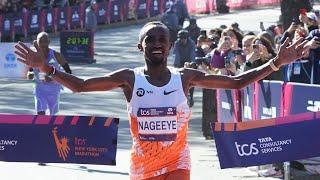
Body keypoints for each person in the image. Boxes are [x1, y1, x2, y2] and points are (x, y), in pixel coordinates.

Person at [15, 21, 307, 180]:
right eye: (150, 39)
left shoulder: (185, 77)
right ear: (140, 45)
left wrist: (275, 64)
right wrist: (46, 68)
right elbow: (80, 86)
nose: (156, 44)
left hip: (177, 163)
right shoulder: (129, 78)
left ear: (169, 46)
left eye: (161, 40)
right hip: (142, 168)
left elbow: (236, 82)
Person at [27, 32, 72, 116]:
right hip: (39, 88)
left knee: (53, 114)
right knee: (40, 111)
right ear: (37, 42)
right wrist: (30, 74)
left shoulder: (56, 55)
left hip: (54, 89)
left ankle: (51, 128)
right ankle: (41, 128)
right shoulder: (33, 56)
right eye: (41, 41)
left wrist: (55, 78)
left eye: (45, 41)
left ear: (49, 42)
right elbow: (30, 71)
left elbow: (68, 71)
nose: (43, 44)